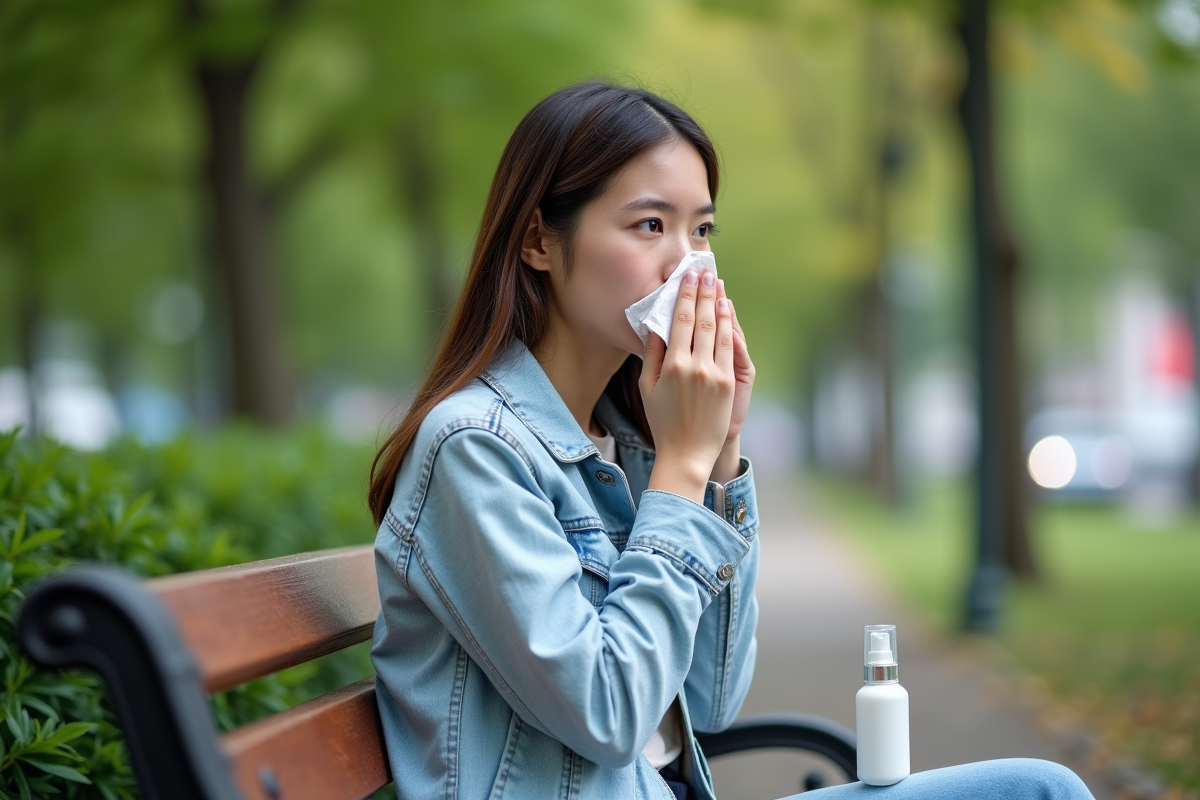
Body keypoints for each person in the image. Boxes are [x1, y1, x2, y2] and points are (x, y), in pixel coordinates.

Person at [367, 81, 1095, 800]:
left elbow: (710, 699)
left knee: (1040, 788)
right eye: (649, 225)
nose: (687, 266)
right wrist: (683, 470)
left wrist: (719, 460)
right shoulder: (474, 448)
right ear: (537, 242)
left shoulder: (632, 442)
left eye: (702, 230)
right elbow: (610, 716)